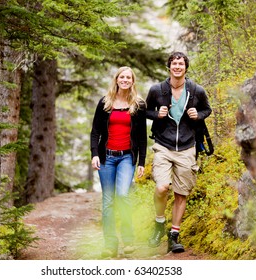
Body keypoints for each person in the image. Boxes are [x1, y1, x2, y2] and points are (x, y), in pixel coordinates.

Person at [145, 51, 212, 253]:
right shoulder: (157, 89)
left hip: (187, 146)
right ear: (169, 67)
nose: (177, 67)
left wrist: (197, 115)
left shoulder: (196, 90)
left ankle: (174, 235)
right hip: (163, 145)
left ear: (185, 67)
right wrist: (157, 114)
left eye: (181, 64)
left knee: (181, 193)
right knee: (162, 187)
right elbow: (146, 111)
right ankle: (159, 223)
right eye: (174, 63)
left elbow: (207, 110)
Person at [90, 66, 147, 258]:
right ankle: (110, 245)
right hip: (106, 157)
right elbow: (95, 131)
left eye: (128, 77)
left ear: (132, 81)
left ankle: (129, 241)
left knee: (122, 196)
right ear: (116, 80)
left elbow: (141, 137)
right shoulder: (105, 103)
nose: (124, 80)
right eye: (121, 77)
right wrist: (94, 154)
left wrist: (141, 162)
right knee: (108, 201)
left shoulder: (138, 104)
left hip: (126, 157)